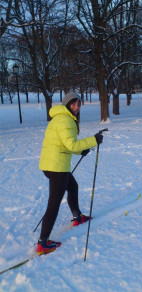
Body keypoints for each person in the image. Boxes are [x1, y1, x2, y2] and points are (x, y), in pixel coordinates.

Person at [37, 92, 103, 255]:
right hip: (57, 167)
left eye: (78, 104)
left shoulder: (60, 118)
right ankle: (42, 243)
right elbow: (72, 145)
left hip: (52, 164)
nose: (76, 107)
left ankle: (77, 216)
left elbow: (64, 145)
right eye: (73, 104)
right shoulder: (65, 120)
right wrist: (94, 140)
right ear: (67, 104)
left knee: (73, 186)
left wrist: (81, 150)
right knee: (54, 204)